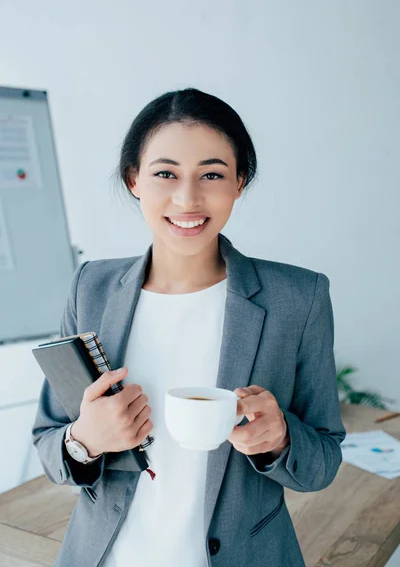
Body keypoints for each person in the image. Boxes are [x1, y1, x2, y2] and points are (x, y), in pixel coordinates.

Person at [32, 87, 346, 567]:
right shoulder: (90, 287)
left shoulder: (298, 299)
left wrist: (280, 439)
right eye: (165, 173)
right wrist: (86, 441)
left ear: (240, 181)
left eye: (212, 174)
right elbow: (50, 443)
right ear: (134, 179)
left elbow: (322, 462)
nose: (187, 197)